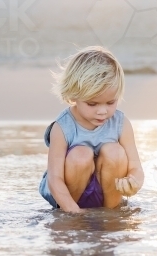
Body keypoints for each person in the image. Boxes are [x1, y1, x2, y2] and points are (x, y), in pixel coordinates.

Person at [39, 47, 144, 212]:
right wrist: (74, 213)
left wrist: (132, 182)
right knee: (81, 154)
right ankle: (72, 214)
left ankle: (111, 213)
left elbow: (136, 168)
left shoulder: (120, 123)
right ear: (73, 95)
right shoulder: (62, 127)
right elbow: (55, 179)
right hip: (67, 195)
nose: (102, 111)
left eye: (110, 103)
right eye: (92, 104)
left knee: (115, 151)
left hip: (106, 189)